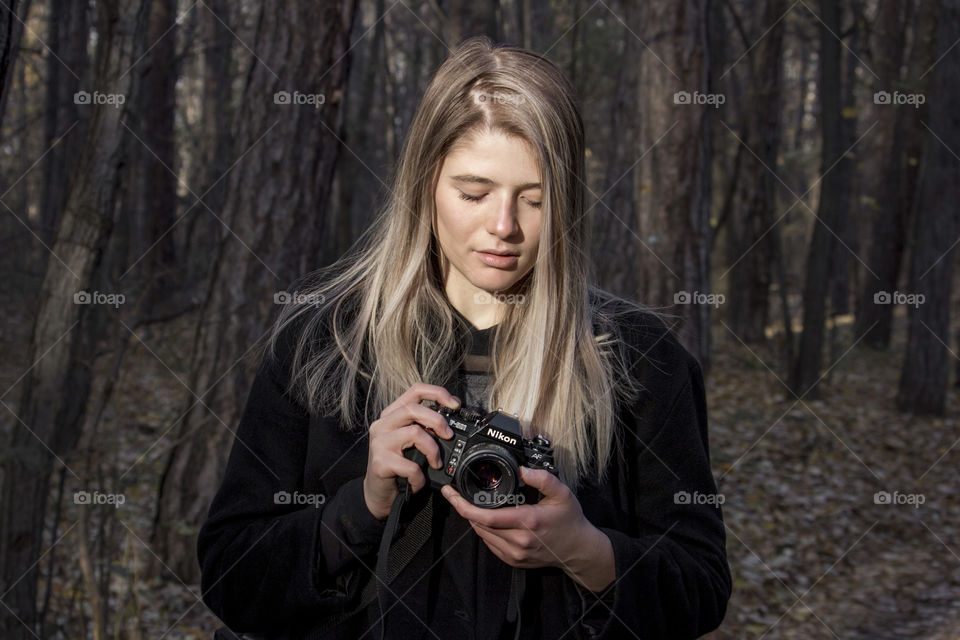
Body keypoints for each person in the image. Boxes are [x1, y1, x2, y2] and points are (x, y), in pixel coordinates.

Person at [198, 36, 731, 640]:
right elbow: (229, 578)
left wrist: (582, 550)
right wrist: (363, 504)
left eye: (535, 199)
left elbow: (702, 586)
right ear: (425, 183)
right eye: (473, 193)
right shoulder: (323, 347)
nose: (503, 227)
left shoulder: (641, 360)